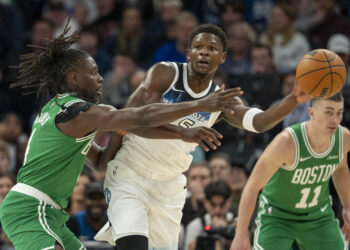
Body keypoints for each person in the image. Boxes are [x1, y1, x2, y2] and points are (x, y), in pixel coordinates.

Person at [0, 23, 242, 250]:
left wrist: (120, 142)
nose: (100, 78)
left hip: (49, 212)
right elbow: (140, 116)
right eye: (93, 73)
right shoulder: (80, 112)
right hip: (31, 208)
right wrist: (199, 105)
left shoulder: (55, 107)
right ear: (74, 78)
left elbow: (99, 162)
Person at [95, 23, 311, 250]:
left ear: (223, 57)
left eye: (212, 48)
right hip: (131, 173)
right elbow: (130, 120)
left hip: (169, 185)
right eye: (198, 46)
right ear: (189, 54)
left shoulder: (221, 99)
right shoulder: (165, 74)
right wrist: (182, 131)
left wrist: (293, 99)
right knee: (134, 245)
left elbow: (259, 122)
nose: (204, 51)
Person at [230, 93, 350, 250]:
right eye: (328, 112)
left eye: (339, 112)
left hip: (318, 215)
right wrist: (240, 234)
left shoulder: (343, 137)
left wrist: (347, 206)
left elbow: (340, 169)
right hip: (278, 216)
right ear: (311, 113)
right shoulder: (286, 142)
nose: (335, 120)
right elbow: (252, 186)